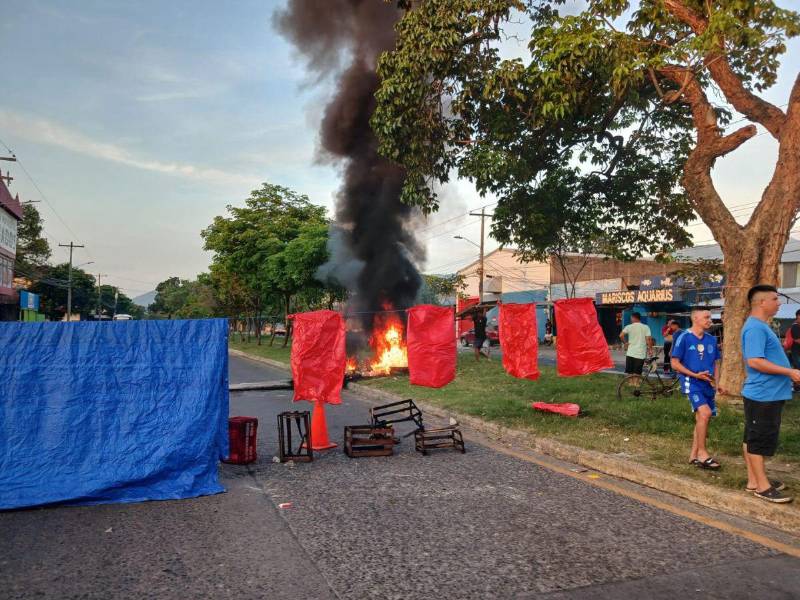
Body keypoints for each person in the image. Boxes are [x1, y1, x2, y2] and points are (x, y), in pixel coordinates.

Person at [741, 285, 800, 503]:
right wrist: (790, 371)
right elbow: (755, 361)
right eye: (775, 299)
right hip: (764, 395)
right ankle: (762, 487)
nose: (779, 302)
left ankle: (754, 480)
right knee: (759, 439)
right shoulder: (756, 328)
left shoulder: (760, 326)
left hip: (767, 394)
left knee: (752, 436)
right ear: (762, 302)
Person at [671, 309, 723, 470]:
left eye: (710, 317)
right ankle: (702, 453)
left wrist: (717, 382)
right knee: (705, 413)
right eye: (706, 317)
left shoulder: (711, 340)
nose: (710, 320)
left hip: (707, 384)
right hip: (691, 382)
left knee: (702, 418)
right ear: (695, 318)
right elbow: (675, 363)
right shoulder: (684, 337)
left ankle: (693, 456)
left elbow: (716, 363)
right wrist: (695, 375)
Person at [620, 312, 653, 380]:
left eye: (631, 318)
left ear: (633, 318)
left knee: (630, 371)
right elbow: (648, 340)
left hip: (630, 352)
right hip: (640, 354)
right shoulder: (645, 327)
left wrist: (625, 343)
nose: (631, 319)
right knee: (637, 372)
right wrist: (650, 350)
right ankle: (636, 384)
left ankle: (631, 384)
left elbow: (621, 335)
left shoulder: (629, 326)